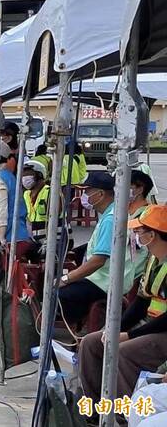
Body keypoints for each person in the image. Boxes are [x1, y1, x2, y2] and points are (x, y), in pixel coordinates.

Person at [78, 204, 167, 405]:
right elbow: (140, 303)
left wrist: (129, 335)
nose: (136, 235)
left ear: (152, 235)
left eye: (139, 231)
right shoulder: (154, 260)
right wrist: (114, 329)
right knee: (91, 343)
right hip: (149, 326)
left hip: (162, 332)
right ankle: (95, 407)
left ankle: (125, 415)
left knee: (124, 352)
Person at [57, 171, 137, 328]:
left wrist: (66, 279)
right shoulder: (111, 213)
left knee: (58, 294)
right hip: (104, 279)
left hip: (105, 282)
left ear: (100, 194)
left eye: (87, 191)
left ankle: (77, 331)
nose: (84, 196)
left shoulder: (110, 219)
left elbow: (98, 261)